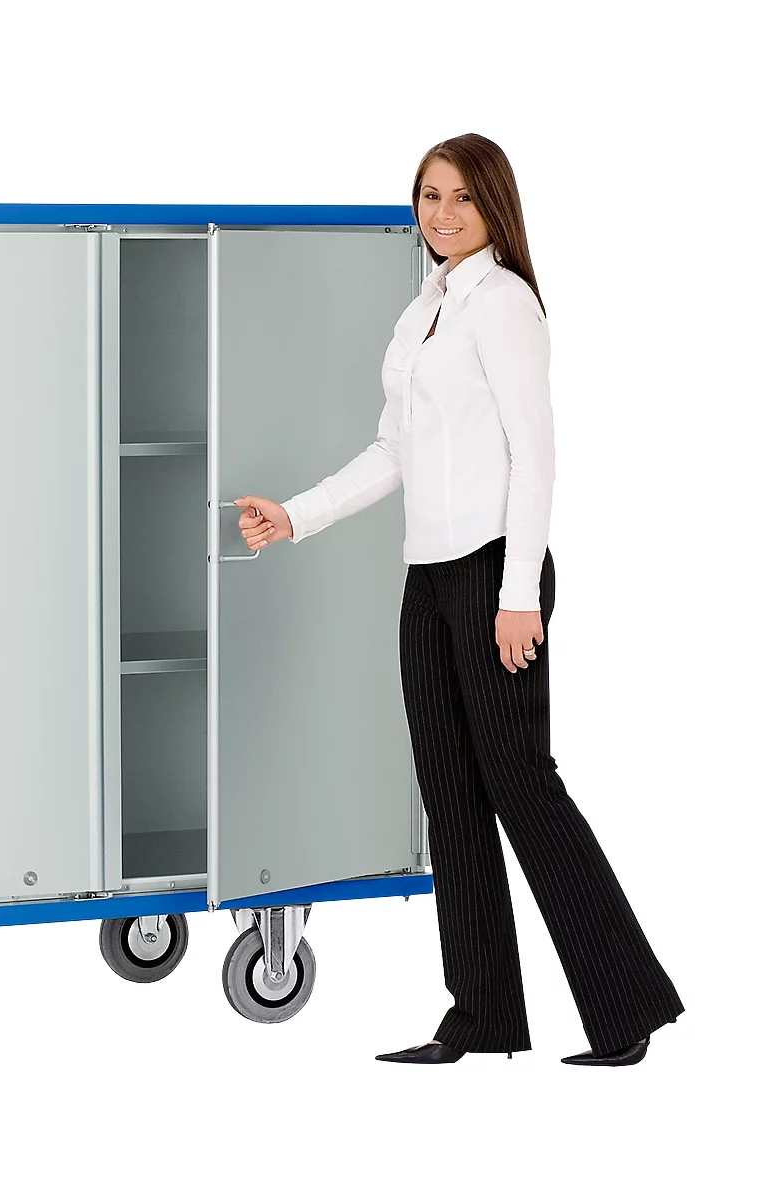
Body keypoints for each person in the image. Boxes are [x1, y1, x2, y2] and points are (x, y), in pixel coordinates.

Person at [233, 133, 683, 1066]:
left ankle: (626, 1010)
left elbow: (534, 457)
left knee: (524, 788)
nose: (441, 214)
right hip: (430, 577)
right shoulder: (423, 312)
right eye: (429, 196)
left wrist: (519, 595)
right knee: (450, 793)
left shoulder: (505, 304)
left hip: (494, 575)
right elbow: (393, 450)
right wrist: (298, 515)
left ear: (493, 207)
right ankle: (481, 1018)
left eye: (461, 198)